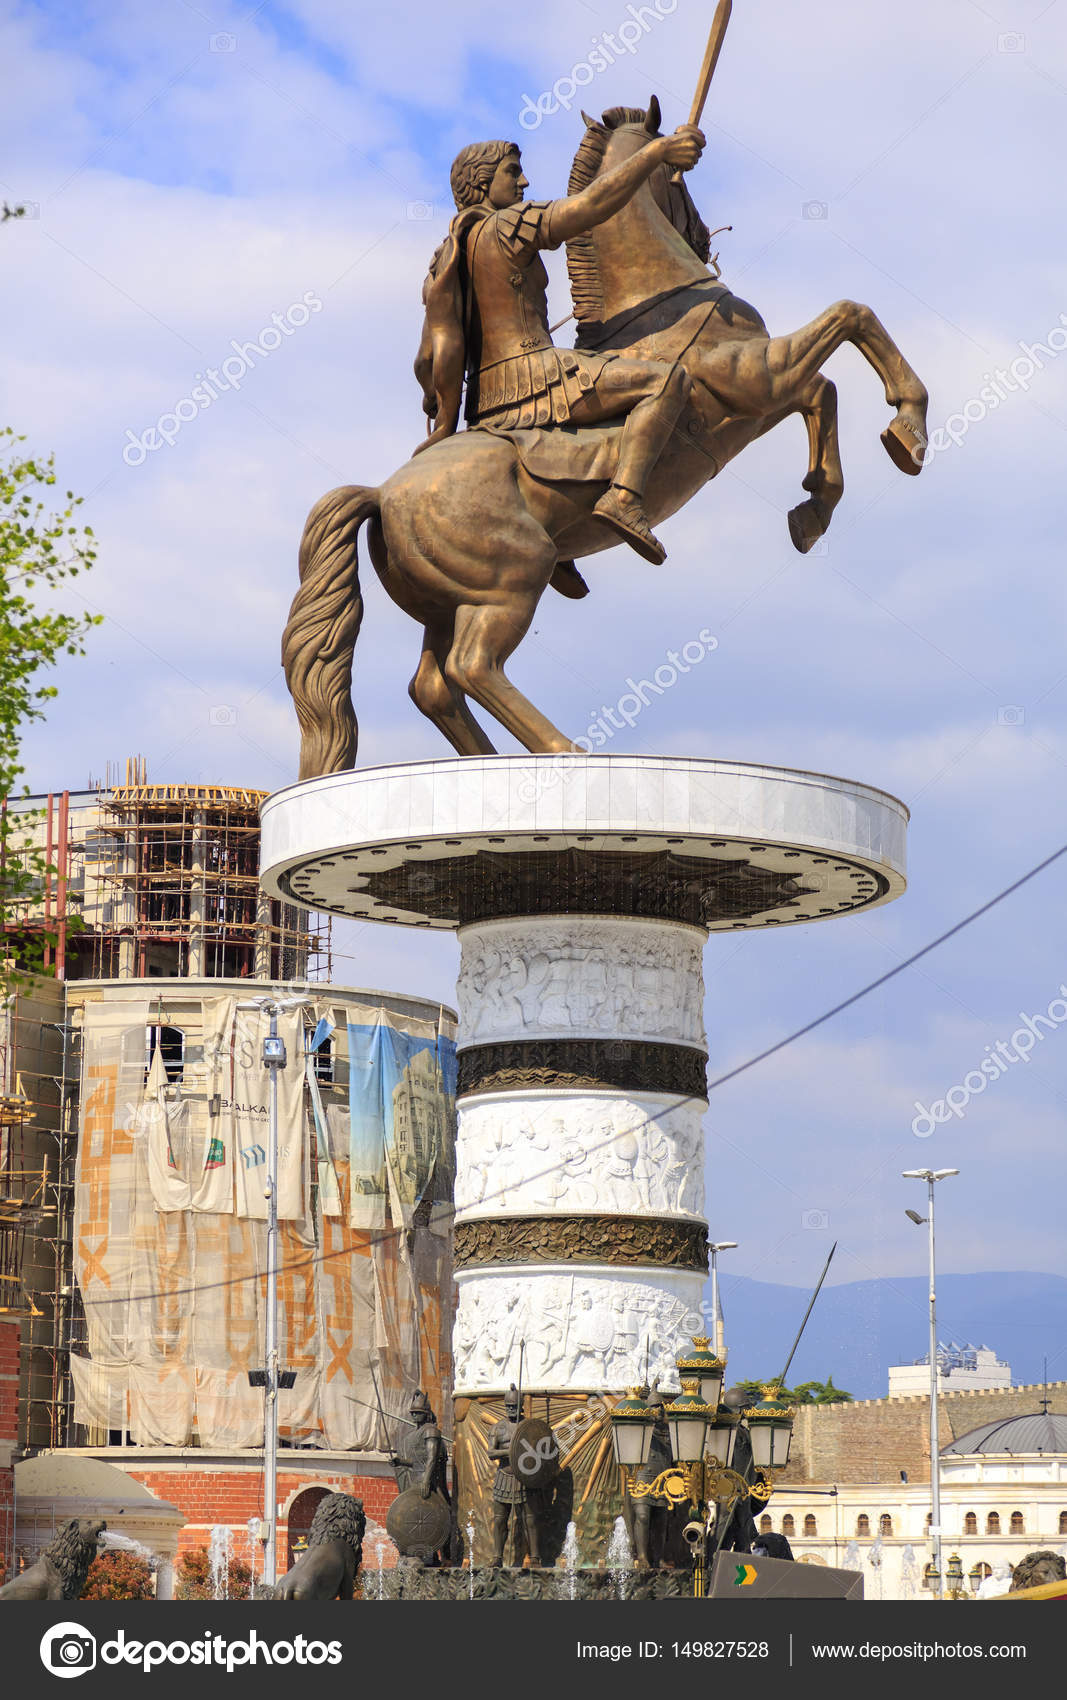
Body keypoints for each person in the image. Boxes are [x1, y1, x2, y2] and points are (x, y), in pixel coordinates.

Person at [415, 125, 705, 565]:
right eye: (513, 172)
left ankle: (556, 534)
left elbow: (437, 352)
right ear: (481, 184)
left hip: (486, 405)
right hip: (537, 376)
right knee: (666, 382)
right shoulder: (508, 225)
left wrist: (445, 424)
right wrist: (656, 153)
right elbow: (591, 206)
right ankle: (625, 497)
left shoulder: (445, 255)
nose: (524, 182)